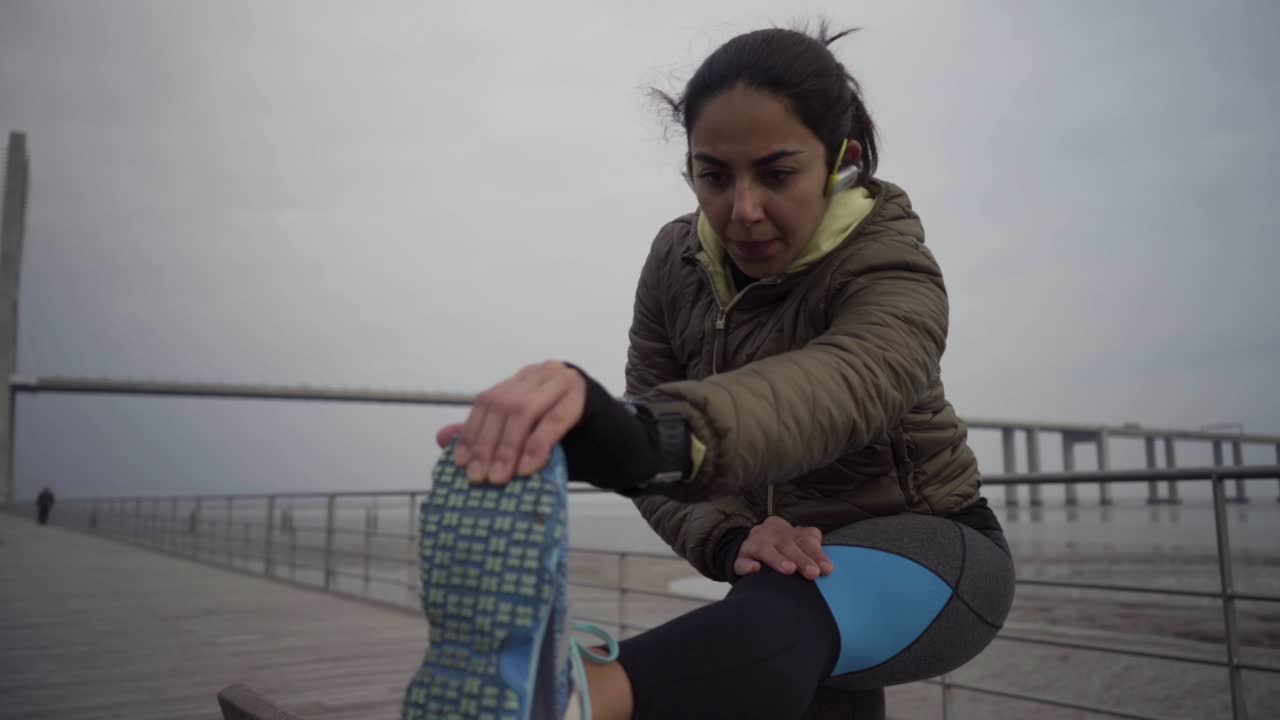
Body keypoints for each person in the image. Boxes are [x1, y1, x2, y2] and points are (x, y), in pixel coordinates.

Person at [403, 23, 1015, 720]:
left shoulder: (892, 264)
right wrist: (728, 538)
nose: (743, 210)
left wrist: (644, 436)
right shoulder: (674, 264)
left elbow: (849, 381)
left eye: (777, 174)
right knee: (781, 616)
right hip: (781, 564)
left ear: (839, 162)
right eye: (713, 175)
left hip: (934, 550)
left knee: (784, 613)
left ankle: (571, 700)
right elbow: (656, 471)